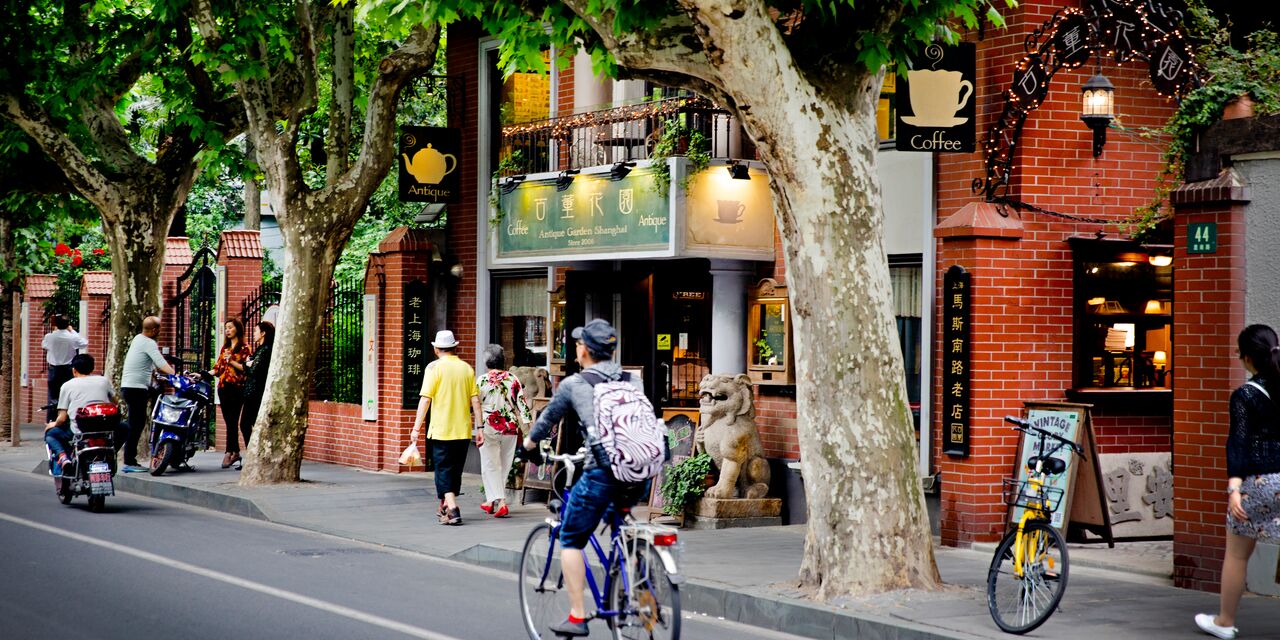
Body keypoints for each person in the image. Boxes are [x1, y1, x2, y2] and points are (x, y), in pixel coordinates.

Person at [521, 319, 647, 637]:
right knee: (617, 517)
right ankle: (640, 584)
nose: (576, 348)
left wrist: (528, 447)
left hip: (602, 471)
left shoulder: (574, 384)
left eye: (578, 344)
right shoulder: (632, 380)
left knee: (572, 538)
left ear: (585, 350)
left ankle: (577, 616)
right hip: (639, 472)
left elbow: (547, 419)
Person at [1195, 324, 1280, 640]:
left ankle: (1224, 621)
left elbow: (1239, 444)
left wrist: (1233, 488)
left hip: (1260, 483)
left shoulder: (1245, 395)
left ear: (1246, 357)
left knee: (1237, 553)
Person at [408, 330, 481, 526]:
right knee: (455, 471)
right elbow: (475, 401)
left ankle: (454, 509)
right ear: (454, 347)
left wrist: (416, 428)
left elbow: (425, 400)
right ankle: (446, 506)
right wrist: (480, 427)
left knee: (442, 470)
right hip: (463, 430)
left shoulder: (434, 369)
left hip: (441, 430)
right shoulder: (467, 369)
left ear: (435, 349)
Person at [475, 344, 534, 518]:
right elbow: (522, 405)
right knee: (503, 465)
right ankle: (490, 502)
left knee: (489, 465)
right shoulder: (513, 379)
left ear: (487, 361)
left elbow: (475, 405)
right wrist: (529, 427)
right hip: (510, 427)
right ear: (503, 360)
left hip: (488, 426)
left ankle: (500, 501)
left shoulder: (482, 380)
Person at [45, 354, 118, 474]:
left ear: (74, 370)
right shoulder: (103, 381)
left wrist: (52, 424)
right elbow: (115, 402)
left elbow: (62, 418)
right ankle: (111, 453)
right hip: (104, 430)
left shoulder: (67, 385)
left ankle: (63, 458)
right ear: (92, 368)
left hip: (79, 432)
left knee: (51, 434)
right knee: (125, 427)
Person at [119, 316, 175, 473]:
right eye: (159, 329)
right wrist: (178, 377)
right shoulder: (149, 343)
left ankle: (130, 459)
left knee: (135, 423)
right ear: (155, 330)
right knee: (136, 425)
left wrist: (155, 376)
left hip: (130, 387)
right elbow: (161, 363)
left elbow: (148, 364)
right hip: (136, 388)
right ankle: (129, 461)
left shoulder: (138, 339)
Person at [212, 319, 252, 469]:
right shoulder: (225, 348)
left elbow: (245, 368)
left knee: (232, 420)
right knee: (229, 420)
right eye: (226, 328)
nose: (227, 330)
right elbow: (218, 368)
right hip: (223, 387)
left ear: (237, 329)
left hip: (237, 388)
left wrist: (231, 361)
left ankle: (230, 452)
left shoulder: (244, 348)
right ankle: (234, 452)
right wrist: (204, 375)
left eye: (230, 327)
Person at [237, 320, 275, 471]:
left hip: (256, 393)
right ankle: (254, 454)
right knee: (249, 424)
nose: (253, 333)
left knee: (246, 424)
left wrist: (248, 364)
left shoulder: (266, 349)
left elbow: (254, 370)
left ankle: (253, 456)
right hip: (252, 392)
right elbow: (249, 365)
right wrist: (249, 364)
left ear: (263, 333)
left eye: (255, 331)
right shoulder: (260, 349)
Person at [41, 315, 88, 422]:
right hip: (68, 369)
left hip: (54, 369)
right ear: (68, 325)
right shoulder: (72, 337)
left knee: (53, 396)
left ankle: (52, 420)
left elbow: (44, 345)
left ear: (55, 325)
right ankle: (68, 419)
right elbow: (84, 343)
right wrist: (72, 331)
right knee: (69, 395)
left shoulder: (50, 337)